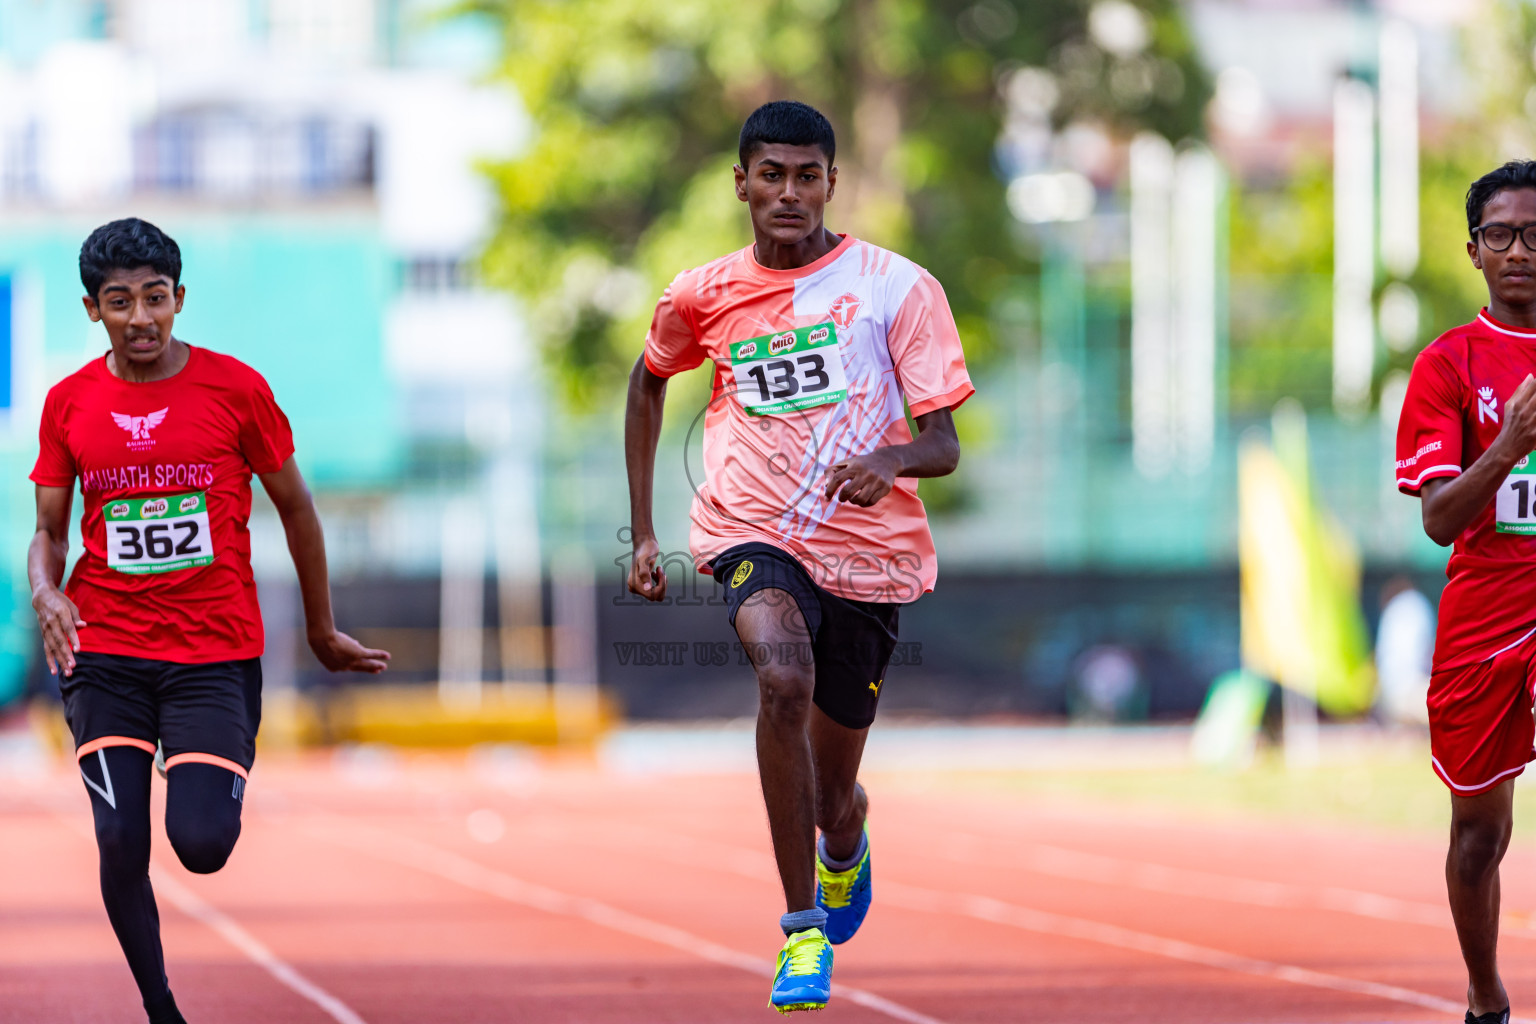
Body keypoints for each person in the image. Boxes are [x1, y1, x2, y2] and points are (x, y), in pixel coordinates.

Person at [623, 101, 971, 1013]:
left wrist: (887, 460)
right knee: (781, 679)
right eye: (770, 174)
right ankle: (800, 932)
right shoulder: (702, 293)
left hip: (866, 554)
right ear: (740, 183)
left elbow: (943, 444)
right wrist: (648, 530)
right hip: (750, 528)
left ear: (830, 183)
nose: (788, 192)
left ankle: (845, 842)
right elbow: (649, 381)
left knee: (834, 795)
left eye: (806, 175)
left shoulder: (896, 287)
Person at [27, 218, 389, 1024]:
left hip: (212, 654)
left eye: (155, 298)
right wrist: (46, 594)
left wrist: (322, 630)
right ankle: (161, 1009)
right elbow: (48, 533)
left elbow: (297, 510)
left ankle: (195, 765)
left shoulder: (236, 390)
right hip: (106, 648)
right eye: (119, 302)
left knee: (202, 844)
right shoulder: (69, 403)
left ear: (179, 298)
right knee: (120, 838)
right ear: (94, 311)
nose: (141, 317)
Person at [1395, 160, 1536, 1024]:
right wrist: (1510, 442)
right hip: (1486, 614)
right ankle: (1486, 994)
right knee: (1479, 833)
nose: (1521, 250)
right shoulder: (1449, 364)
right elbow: (1440, 518)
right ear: (1476, 251)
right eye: (1503, 236)